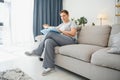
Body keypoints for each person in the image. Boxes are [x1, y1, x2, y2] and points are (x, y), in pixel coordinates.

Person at [25, 10, 78, 76]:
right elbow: (55, 29)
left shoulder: (72, 23)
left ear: (68, 15)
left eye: (64, 15)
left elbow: (73, 33)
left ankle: (37, 51)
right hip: (62, 40)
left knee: (50, 33)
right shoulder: (61, 24)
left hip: (71, 40)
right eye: (61, 16)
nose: (62, 17)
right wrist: (48, 27)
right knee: (48, 41)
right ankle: (50, 67)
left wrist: (61, 31)